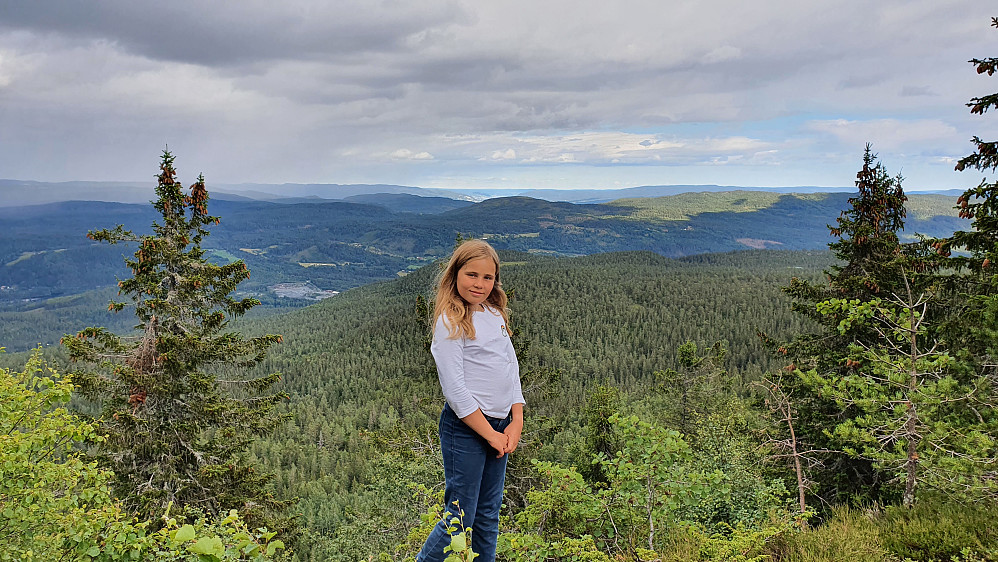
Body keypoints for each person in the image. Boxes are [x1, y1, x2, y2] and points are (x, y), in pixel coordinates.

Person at [417, 239, 525, 562]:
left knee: (488, 514)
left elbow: (511, 365)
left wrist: (515, 420)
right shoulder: (450, 321)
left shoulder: (493, 313)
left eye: (488, 277)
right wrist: (490, 434)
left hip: (501, 425)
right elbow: (456, 391)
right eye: (472, 275)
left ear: (496, 281)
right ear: (456, 274)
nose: (479, 284)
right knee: (459, 518)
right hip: (466, 430)